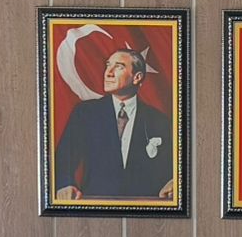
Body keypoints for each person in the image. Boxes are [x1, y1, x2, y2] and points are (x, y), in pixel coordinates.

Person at [54, 45, 174, 201]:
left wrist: (174, 182)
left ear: (137, 77)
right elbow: (63, 160)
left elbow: (172, 169)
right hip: (96, 207)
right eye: (108, 65)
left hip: (144, 208)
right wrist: (65, 185)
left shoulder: (159, 120)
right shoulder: (85, 113)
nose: (108, 73)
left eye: (119, 67)